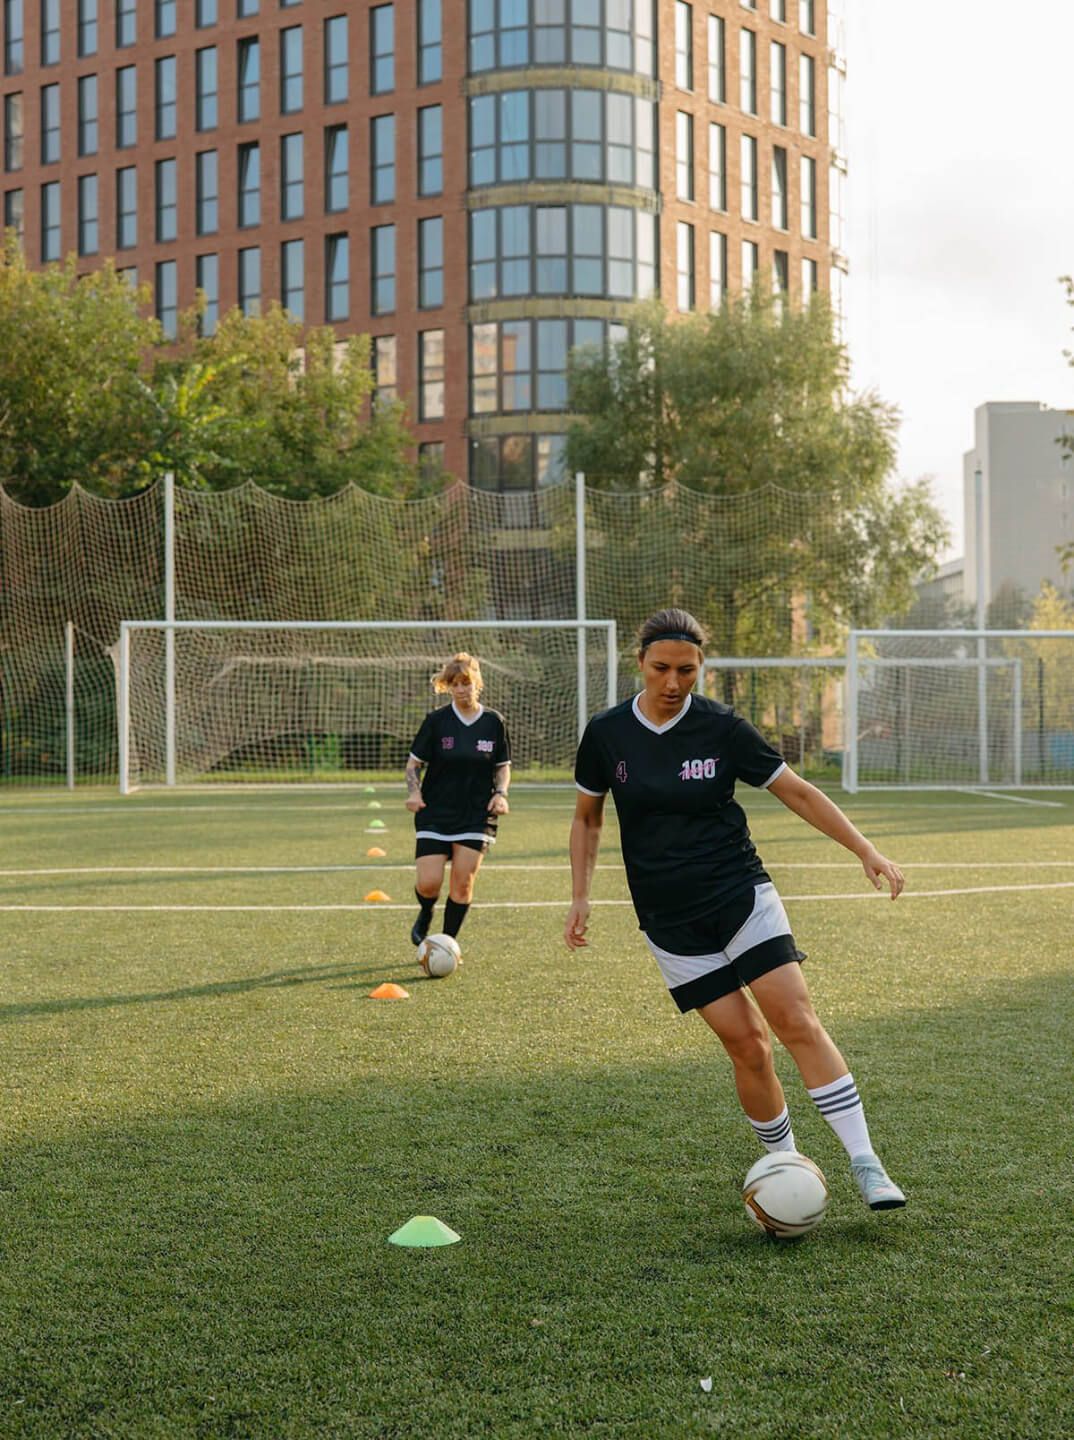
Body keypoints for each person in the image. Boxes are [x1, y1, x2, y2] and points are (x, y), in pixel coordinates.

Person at [564, 607, 907, 1212]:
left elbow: (795, 789)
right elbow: (588, 816)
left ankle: (866, 1162)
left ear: (702, 667)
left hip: (739, 894)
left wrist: (865, 848)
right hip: (668, 918)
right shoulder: (607, 733)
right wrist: (581, 895)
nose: (673, 683)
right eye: (662, 669)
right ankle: (789, 1165)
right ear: (640, 664)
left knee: (795, 1019)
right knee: (747, 1044)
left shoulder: (722, 728)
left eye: (687, 670)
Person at [405, 652, 511, 949]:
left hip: (475, 814)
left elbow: (502, 766)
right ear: (447, 686)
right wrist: (414, 792)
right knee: (429, 882)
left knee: (462, 884)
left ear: (477, 682)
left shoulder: (494, 722)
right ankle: (425, 913)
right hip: (435, 811)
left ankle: (445, 944)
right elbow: (414, 764)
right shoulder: (436, 721)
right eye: (454, 684)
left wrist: (501, 794)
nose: (461, 689)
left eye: (466, 682)